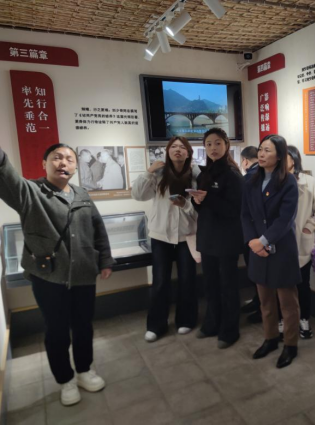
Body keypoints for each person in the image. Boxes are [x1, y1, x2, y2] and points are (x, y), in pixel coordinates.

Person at [0, 144, 114, 407]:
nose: (63, 163)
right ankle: (66, 379)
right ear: (44, 164)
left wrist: (105, 260)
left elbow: (98, 228)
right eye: (57, 158)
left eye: (69, 159)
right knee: (57, 331)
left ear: (75, 166)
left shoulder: (82, 194)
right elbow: (9, 181)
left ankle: (84, 370)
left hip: (84, 273)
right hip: (49, 277)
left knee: (83, 327)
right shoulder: (31, 192)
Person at [242, 135, 302, 369]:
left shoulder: (288, 182)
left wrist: (264, 241)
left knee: (287, 303)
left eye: (267, 150)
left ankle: (290, 344)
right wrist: (252, 241)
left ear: (279, 155)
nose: (261, 153)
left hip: (281, 249)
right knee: (265, 301)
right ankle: (270, 338)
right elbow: (245, 215)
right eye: (260, 149)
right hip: (257, 249)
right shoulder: (251, 181)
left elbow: (285, 219)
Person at [132, 137, 200, 343]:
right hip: (161, 236)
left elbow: (200, 209)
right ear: (168, 151)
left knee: (187, 280)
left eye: (182, 147)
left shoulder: (196, 175)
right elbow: (138, 195)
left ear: (188, 153)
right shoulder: (159, 174)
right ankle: (156, 325)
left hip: (187, 236)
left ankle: (186, 319)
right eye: (173, 147)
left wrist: (184, 205)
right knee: (160, 282)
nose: (178, 150)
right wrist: (148, 171)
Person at [189, 128, 244, 350]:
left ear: (226, 145)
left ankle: (230, 330)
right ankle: (211, 324)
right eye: (209, 144)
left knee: (228, 285)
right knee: (210, 284)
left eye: (218, 143)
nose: (213, 148)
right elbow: (202, 208)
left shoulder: (233, 174)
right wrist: (196, 201)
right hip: (207, 236)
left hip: (227, 239)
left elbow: (235, 210)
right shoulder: (204, 173)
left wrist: (208, 199)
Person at [287, 146, 315, 339]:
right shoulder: (273, 181)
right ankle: (282, 321)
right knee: (280, 285)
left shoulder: (309, 182)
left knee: (302, 285)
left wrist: (309, 227)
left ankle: (304, 319)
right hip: (279, 243)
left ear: (293, 159)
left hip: (301, 243)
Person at [239, 146, 263, 324]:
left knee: (256, 272)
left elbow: (243, 211)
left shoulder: (247, 179)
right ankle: (258, 301)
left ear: (245, 161)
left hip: (252, 235)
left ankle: (261, 306)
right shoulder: (266, 176)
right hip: (263, 234)